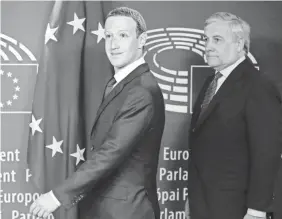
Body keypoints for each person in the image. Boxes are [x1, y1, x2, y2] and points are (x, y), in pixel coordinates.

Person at [29, 6, 165, 219]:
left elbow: (110, 153)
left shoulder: (141, 91)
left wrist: (56, 197)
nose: (113, 44)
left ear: (142, 40)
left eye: (123, 35)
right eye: (108, 36)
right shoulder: (122, 84)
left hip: (127, 212)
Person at [187, 12, 282, 219]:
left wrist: (257, 211)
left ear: (239, 44)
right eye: (207, 39)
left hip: (236, 210)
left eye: (217, 40)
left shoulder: (258, 87)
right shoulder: (210, 83)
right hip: (203, 205)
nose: (208, 46)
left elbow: (266, 155)